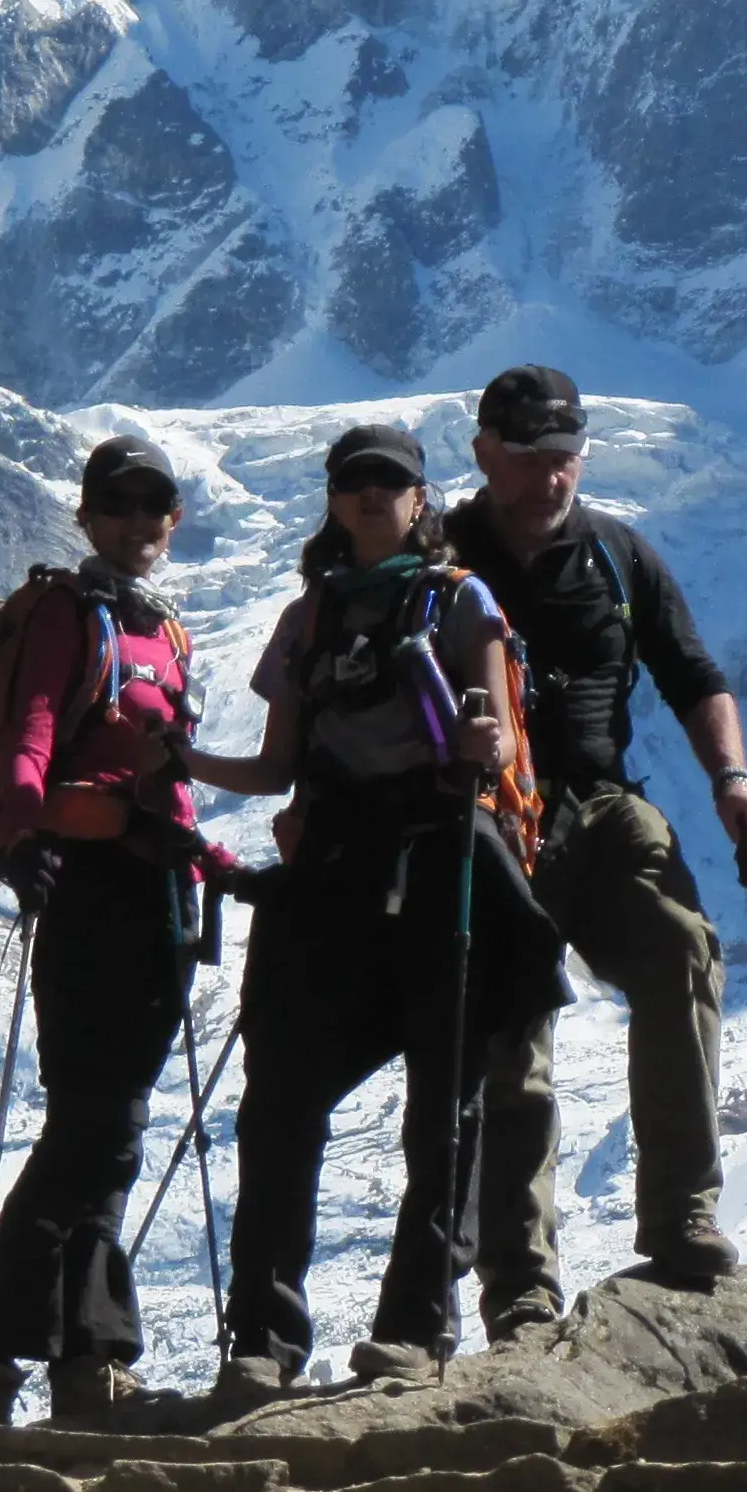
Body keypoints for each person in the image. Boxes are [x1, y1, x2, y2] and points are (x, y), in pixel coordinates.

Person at [186, 423, 562, 1398]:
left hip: (433, 850)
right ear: (332, 499)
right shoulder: (309, 619)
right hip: (348, 866)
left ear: (419, 498)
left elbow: (500, 739)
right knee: (282, 1105)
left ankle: (410, 1326)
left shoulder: (458, 598)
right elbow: (275, 766)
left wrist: (485, 742)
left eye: (386, 482)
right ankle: (267, 1338)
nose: (367, 496)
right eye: (352, 481)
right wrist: (175, 765)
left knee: (440, 1104)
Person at [443, 363, 747, 1333]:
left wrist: (732, 778)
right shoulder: (440, 562)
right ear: (486, 454)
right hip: (486, 825)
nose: (552, 478)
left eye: (566, 458)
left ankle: (681, 1213)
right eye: (533, 457)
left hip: (598, 806)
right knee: (515, 1036)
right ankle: (521, 1281)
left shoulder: (619, 556)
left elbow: (694, 675)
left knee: (681, 946)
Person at [0, 434, 208, 1429]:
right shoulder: (68, 614)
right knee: (96, 1129)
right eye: (120, 505)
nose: (140, 523)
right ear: (87, 514)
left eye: (155, 506)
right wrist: (17, 829)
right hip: (91, 887)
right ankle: (7, 1358)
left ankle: (81, 1360)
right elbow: (34, 730)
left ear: (171, 519)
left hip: (156, 899)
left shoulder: (165, 633)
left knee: (111, 1130)